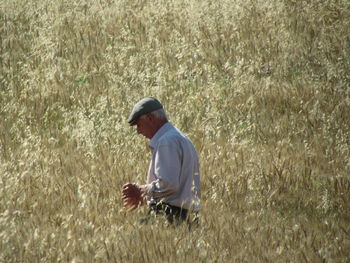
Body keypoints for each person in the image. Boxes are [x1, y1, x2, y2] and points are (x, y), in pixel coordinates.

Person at [121, 97, 200, 225]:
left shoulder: (166, 142)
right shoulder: (180, 138)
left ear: (151, 118)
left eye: (139, 125)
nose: (138, 131)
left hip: (170, 216)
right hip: (188, 216)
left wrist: (141, 190)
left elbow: (169, 184)